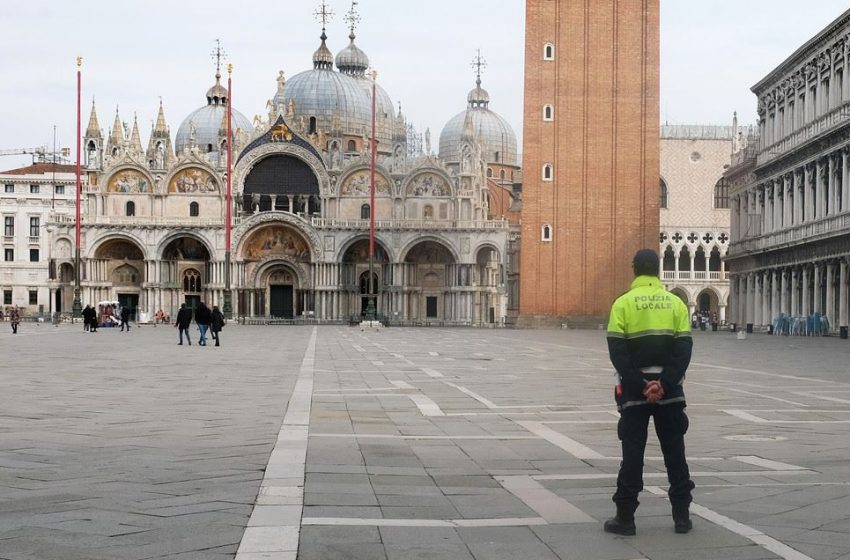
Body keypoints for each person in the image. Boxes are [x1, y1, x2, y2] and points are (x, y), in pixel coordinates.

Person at [605, 248, 695, 536]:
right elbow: (683, 351)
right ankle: (682, 517)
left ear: (634, 269)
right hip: (670, 392)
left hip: (634, 393)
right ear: (657, 270)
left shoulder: (622, 303)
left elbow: (617, 353)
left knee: (632, 455)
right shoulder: (676, 303)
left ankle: (625, 518)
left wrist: (642, 385)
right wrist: (663, 384)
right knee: (675, 453)